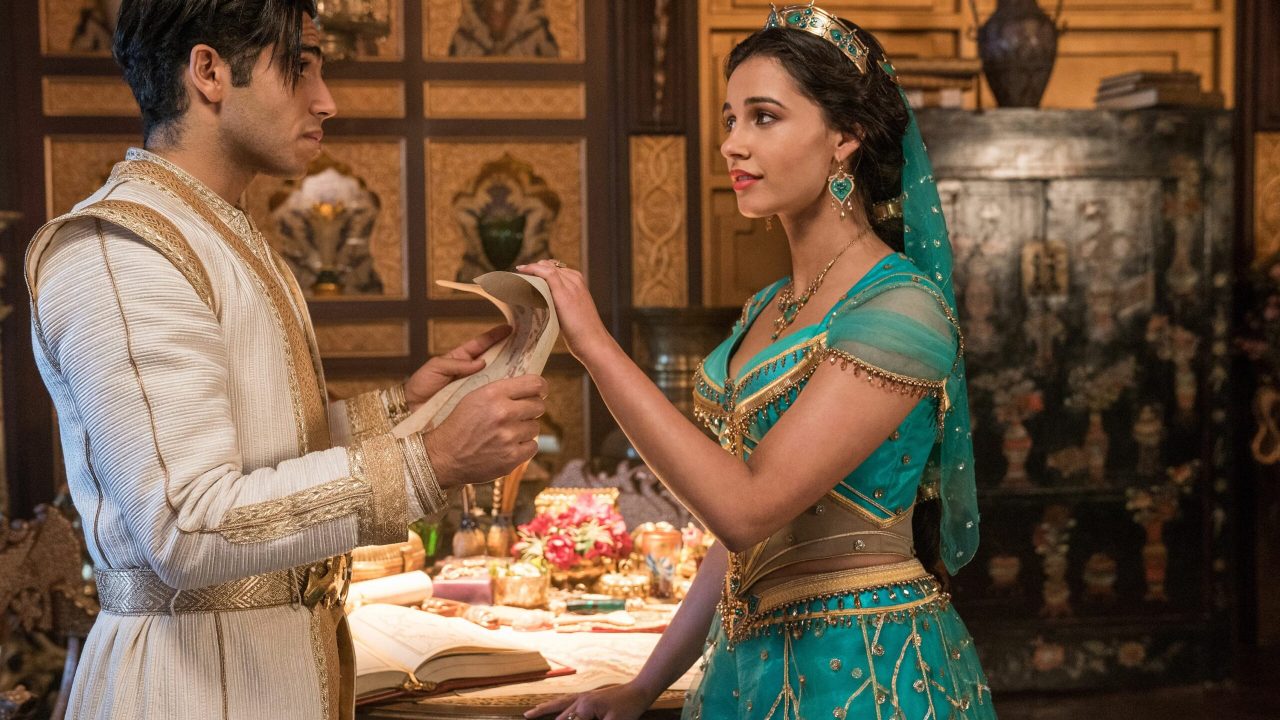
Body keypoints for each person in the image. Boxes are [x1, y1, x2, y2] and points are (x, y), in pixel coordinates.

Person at [23, 1, 546, 718]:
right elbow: (186, 523)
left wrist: (403, 411)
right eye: (298, 68)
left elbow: (252, 456)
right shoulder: (121, 250)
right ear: (209, 72)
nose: (325, 100)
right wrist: (430, 462)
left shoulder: (219, 233)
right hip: (186, 689)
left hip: (268, 674)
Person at [521, 5, 994, 720]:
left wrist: (593, 345)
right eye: (730, 119)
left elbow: (746, 509)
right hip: (748, 668)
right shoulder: (767, 309)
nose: (732, 144)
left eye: (764, 117)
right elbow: (738, 544)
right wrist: (645, 685)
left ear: (845, 136)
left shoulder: (901, 308)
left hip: (868, 671)